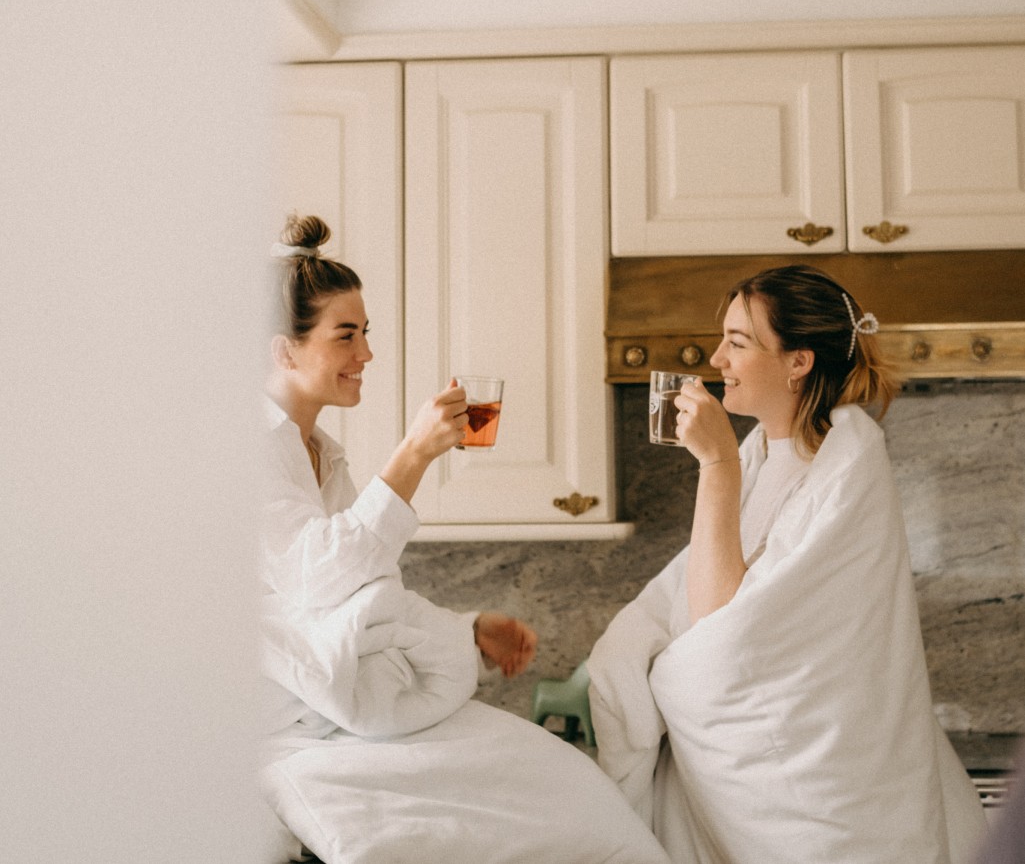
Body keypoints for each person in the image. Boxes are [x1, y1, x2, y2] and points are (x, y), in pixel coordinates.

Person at [259, 214, 671, 864]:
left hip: (345, 706)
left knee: (563, 781)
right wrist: (414, 454)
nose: (366, 354)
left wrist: (465, 630)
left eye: (366, 333)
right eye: (346, 335)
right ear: (284, 350)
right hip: (296, 718)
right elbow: (318, 580)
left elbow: (360, 600)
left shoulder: (322, 454)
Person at [587, 264, 989, 864]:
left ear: (797, 361)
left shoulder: (847, 463)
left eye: (738, 342)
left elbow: (727, 638)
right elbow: (697, 595)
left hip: (830, 796)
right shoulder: (763, 454)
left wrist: (716, 463)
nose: (717, 359)